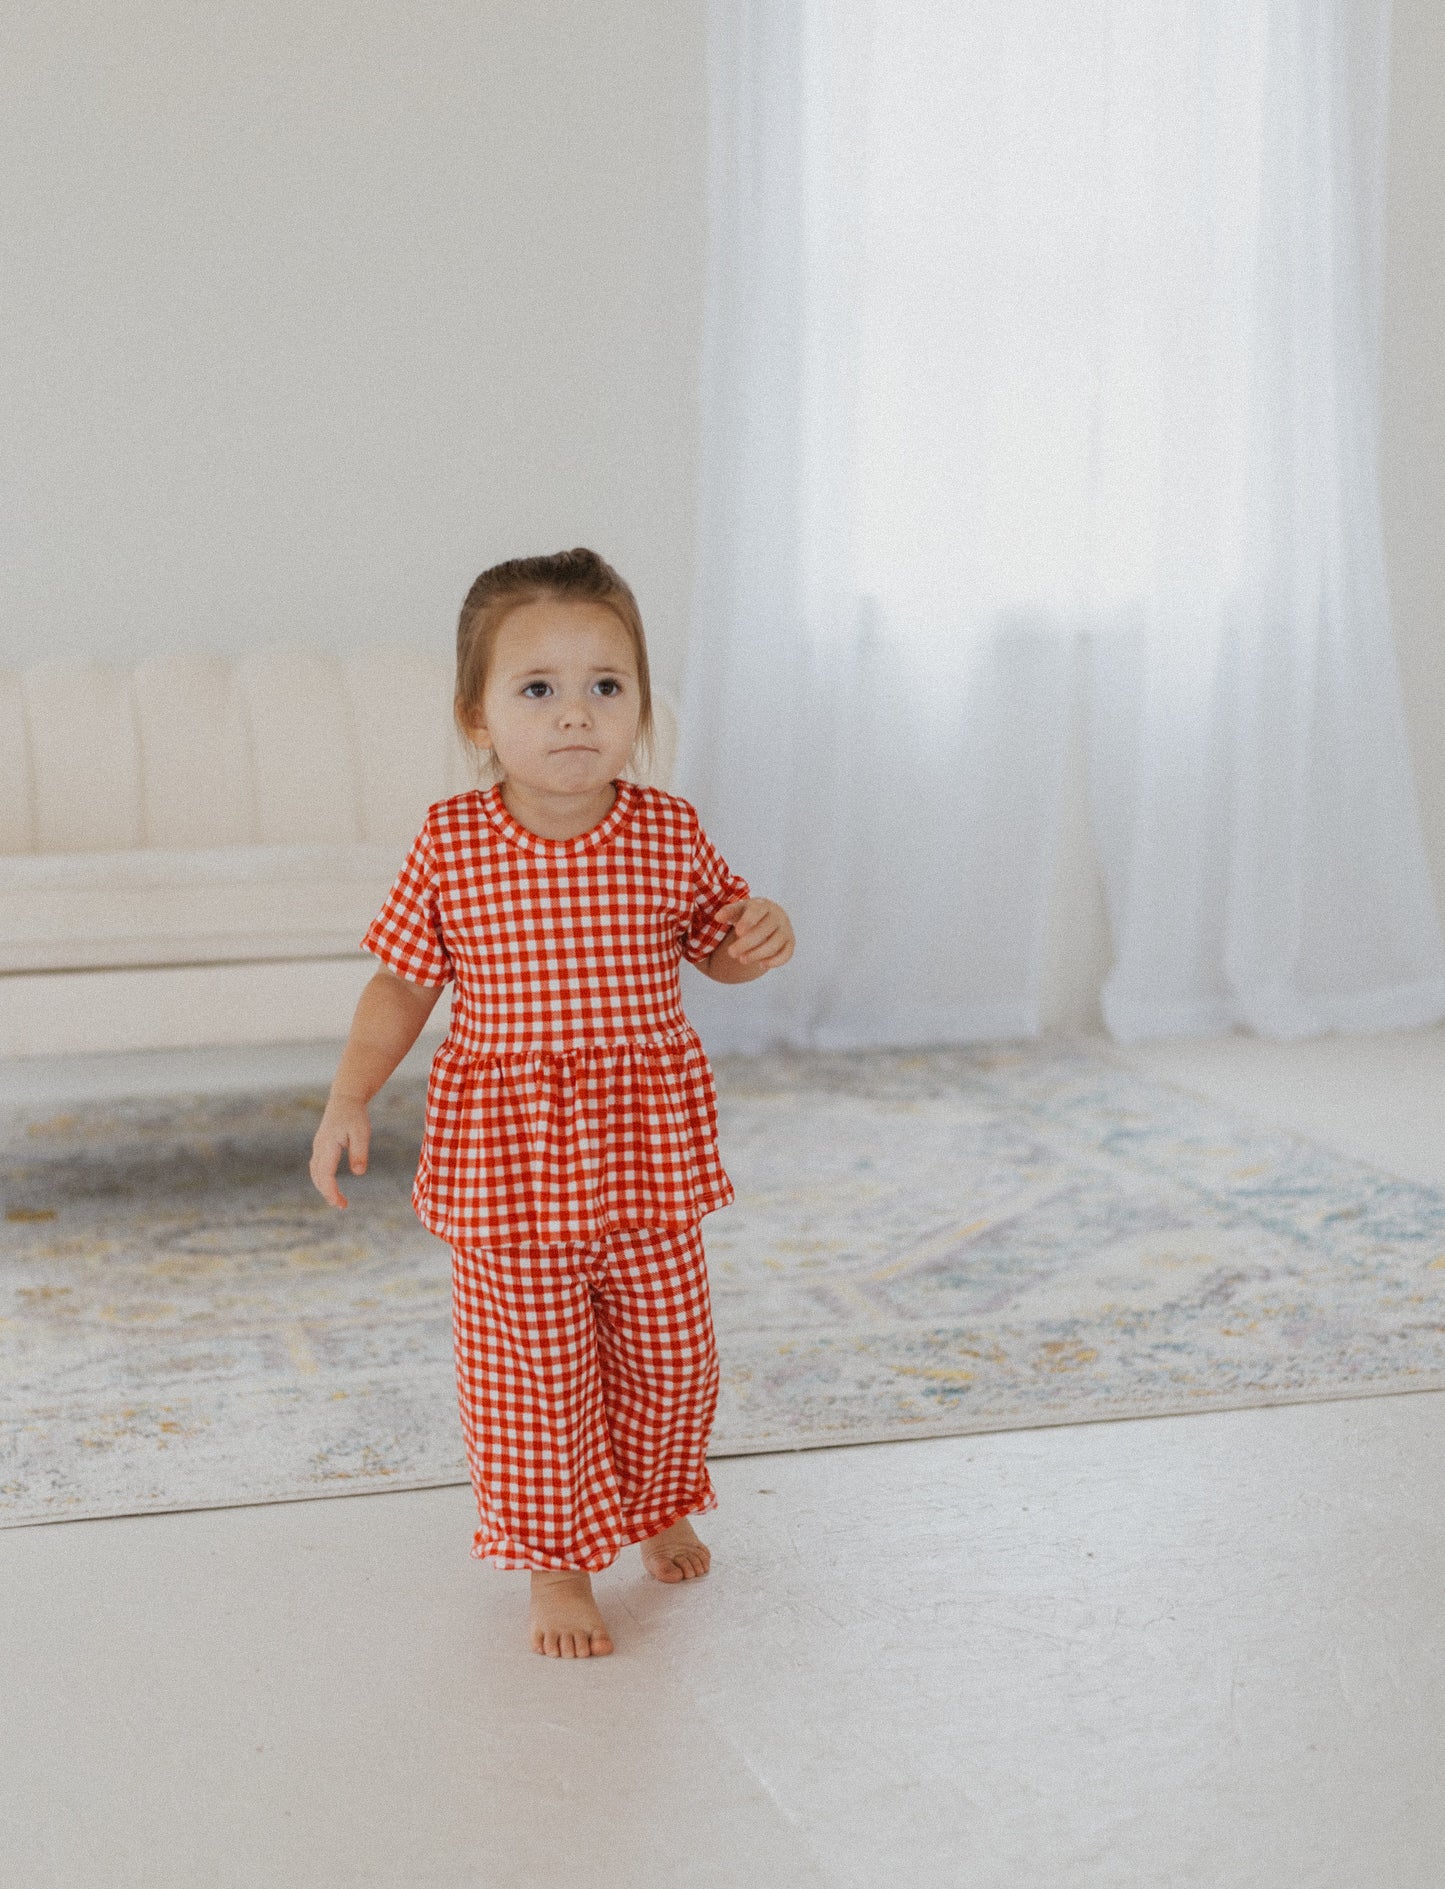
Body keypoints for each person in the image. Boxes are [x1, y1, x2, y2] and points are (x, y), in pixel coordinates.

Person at [309, 547, 794, 1659]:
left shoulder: (667, 832)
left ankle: (656, 1490)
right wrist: (348, 1094)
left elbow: (715, 945)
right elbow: (400, 982)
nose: (574, 713)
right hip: (509, 1170)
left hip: (644, 1158)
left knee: (671, 1358)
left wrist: (756, 937)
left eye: (604, 685)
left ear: (639, 704)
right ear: (477, 716)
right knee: (531, 1374)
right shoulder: (455, 842)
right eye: (538, 688)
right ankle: (557, 1561)